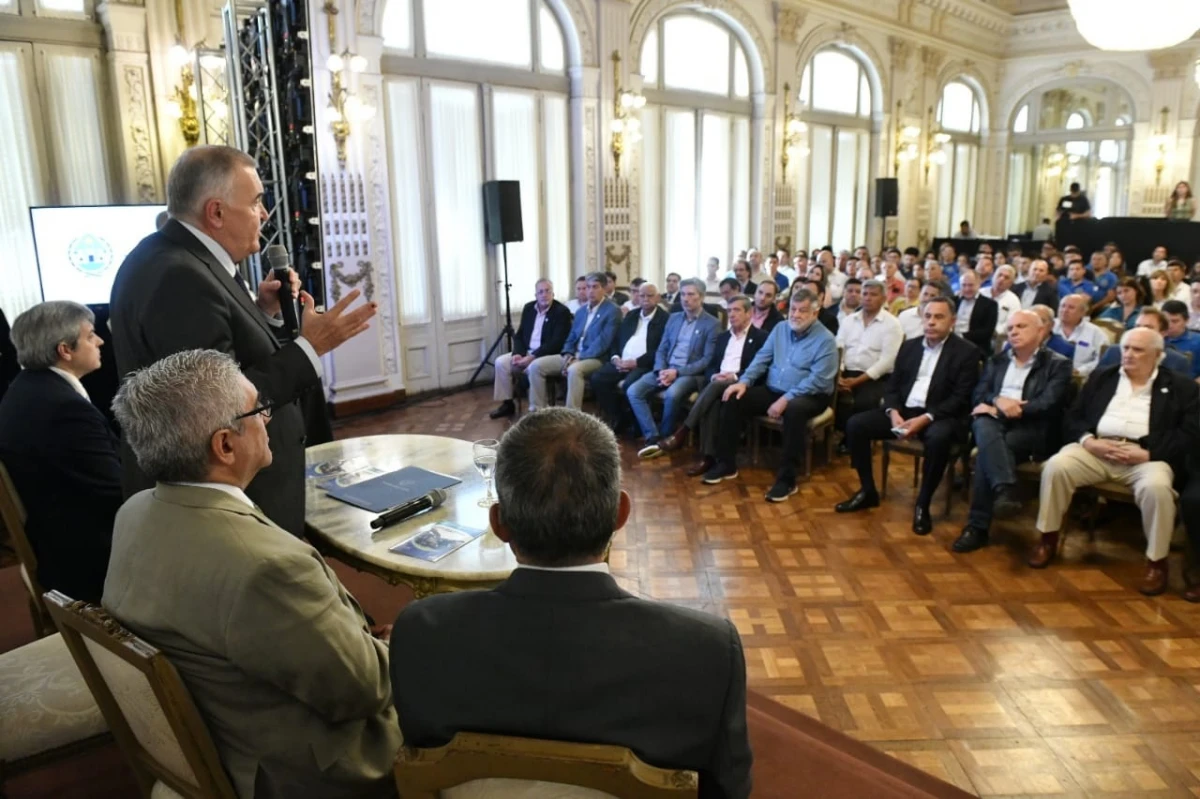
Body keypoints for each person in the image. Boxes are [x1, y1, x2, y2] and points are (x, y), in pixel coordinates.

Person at [390, 408, 753, 797]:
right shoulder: (706, 650)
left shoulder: (419, 632)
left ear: (499, 524)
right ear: (621, 514)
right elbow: (728, 790)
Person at [104, 350, 401, 799]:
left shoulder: (134, 512)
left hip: (233, 733)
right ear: (224, 445)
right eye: (258, 408)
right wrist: (398, 645)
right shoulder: (266, 568)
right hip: (312, 771)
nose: (267, 417)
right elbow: (365, 690)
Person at [110, 145, 377, 537]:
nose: (264, 214)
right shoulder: (179, 277)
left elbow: (225, 352)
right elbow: (221, 407)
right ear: (216, 212)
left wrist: (263, 311)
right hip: (221, 506)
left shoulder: (177, 256)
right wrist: (311, 347)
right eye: (255, 202)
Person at [1028, 329, 1199, 596]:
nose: (1128, 354)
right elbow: (1073, 417)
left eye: (1137, 350)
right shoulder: (1102, 377)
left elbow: (1188, 435)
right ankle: (1047, 539)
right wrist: (1088, 441)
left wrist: (1149, 453)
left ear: (1157, 355)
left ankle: (1156, 562)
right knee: (1057, 466)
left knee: (1157, 489)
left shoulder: (1181, 387)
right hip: (1098, 449)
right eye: (1126, 348)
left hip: (1147, 457)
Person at [0, 302, 121, 603]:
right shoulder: (62, 408)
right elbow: (116, 490)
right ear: (65, 350)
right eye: (92, 335)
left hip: (58, 532)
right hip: (85, 555)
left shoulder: (26, 389)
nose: (100, 341)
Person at [835, 297, 980, 534]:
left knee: (938, 439)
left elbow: (960, 398)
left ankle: (922, 504)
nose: (931, 322)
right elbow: (892, 386)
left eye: (939, 317)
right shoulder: (910, 346)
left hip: (941, 416)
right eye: (928, 316)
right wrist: (893, 412)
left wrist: (927, 418)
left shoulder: (967, 352)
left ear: (952, 321)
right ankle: (867, 490)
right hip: (904, 411)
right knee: (856, 424)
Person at [952, 310, 1073, 553]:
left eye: (1021, 326)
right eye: (1010, 328)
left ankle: (977, 527)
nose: (1014, 332)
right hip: (995, 423)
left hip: (1032, 427)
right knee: (984, 425)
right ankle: (1005, 488)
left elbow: (1049, 403)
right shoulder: (997, 360)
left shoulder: (1058, 364)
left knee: (989, 448)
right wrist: (997, 399)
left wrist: (1004, 408)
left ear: (1041, 331)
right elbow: (979, 394)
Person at [704, 289, 838, 502]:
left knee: (794, 411)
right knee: (733, 398)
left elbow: (818, 380)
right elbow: (762, 359)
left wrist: (786, 399)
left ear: (815, 313)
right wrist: (744, 382)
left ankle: (787, 479)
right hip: (775, 388)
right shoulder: (780, 329)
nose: (795, 315)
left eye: (803, 311)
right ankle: (726, 464)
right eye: (793, 309)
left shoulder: (826, 339)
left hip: (811, 394)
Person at [659, 295, 768, 475]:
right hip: (715, 383)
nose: (731, 314)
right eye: (729, 310)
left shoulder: (761, 337)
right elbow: (711, 365)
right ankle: (708, 457)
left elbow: (760, 369)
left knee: (717, 389)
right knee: (713, 398)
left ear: (749, 313)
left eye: (737, 310)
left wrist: (733, 376)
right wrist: (713, 376)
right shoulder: (723, 337)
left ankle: (684, 433)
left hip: (740, 383)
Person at [628, 278, 719, 456]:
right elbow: (662, 348)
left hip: (690, 373)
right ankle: (652, 436)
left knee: (672, 393)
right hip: (665, 368)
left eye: (691, 294)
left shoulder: (712, 323)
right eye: (683, 294)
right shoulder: (674, 318)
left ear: (701, 297)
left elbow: (707, 360)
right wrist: (661, 370)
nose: (685, 298)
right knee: (633, 391)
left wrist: (676, 372)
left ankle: (667, 437)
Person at [527, 272, 620, 412]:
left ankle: (571, 415)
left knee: (574, 370)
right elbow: (571, 336)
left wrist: (578, 358)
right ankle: (537, 411)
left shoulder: (612, 310)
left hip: (596, 358)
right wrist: (567, 353)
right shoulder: (582, 311)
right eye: (588, 287)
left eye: (595, 287)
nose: (590, 291)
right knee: (535, 366)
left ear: (604, 288)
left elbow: (602, 342)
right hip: (573, 355)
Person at [489, 279, 572, 419]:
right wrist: (517, 354)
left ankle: (538, 412)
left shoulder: (561, 312)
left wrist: (532, 357)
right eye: (540, 292)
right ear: (536, 295)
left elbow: (556, 342)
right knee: (501, 363)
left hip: (546, 354)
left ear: (553, 293)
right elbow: (520, 335)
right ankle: (508, 404)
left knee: (534, 366)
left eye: (547, 291)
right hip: (526, 351)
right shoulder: (529, 308)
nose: (544, 295)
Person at [590, 282, 668, 429]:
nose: (645, 299)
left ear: (657, 298)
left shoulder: (664, 319)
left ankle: (635, 424)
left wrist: (636, 363)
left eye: (650, 296)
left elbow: (660, 350)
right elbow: (616, 340)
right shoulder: (631, 315)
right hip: (622, 362)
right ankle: (618, 416)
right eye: (642, 295)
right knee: (597, 379)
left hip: (644, 365)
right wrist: (616, 359)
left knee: (629, 385)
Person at [834, 280, 903, 441]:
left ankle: (853, 439)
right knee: (826, 394)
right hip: (845, 372)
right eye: (864, 294)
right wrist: (840, 377)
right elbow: (839, 349)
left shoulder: (892, 325)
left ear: (883, 298)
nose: (867, 298)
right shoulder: (849, 320)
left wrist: (856, 381)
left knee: (863, 402)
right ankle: (838, 434)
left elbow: (887, 361)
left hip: (874, 377)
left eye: (873, 294)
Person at [1096, 307, 1192, 374]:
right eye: (1137, 326)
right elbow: (1097, 385)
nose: (1140, 331)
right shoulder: (1114, 352)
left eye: (1148, 328)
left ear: (1163, 333)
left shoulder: (1176, 361)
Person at [1053, 294, 1106, 376]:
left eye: (1071, 307)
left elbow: (1101, 360)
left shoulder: (1095, 333)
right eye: (1062, 306)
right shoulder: (1049, 326)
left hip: (1079, 378)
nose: (1065, 310)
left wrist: (1080, 371)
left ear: (1083, 312)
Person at [955, 270, 999, 357]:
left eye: (971, 285)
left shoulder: (990, 305)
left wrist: (961, 336)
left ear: (979, 284)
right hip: (951, 344)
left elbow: (987, 332)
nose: (967, 289)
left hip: (975, 346)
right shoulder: (953, 301)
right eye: (964, 285)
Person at [1160, 300, 1200, 379]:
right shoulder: (1154, 338)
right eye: (1166, 321)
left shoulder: (1198, 341)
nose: (1169, 325)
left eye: (1175, 321)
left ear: (1187, 320)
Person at [981, 264, 1021, 336]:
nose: (1001, 279)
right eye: (999, 275)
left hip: (997, 337)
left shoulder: (1013, 300)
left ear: (1011, 283)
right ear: (993, 276)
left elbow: (1011, 323)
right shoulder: (980, 292)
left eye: (1006, 277)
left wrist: (992, 331)